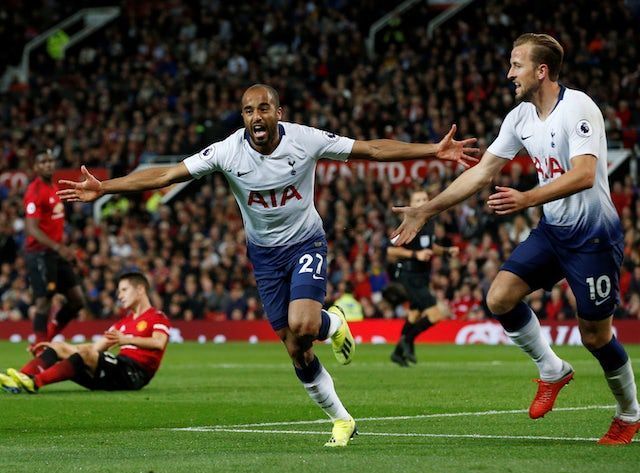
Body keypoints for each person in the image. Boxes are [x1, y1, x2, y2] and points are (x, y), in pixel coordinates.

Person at [56, 83, 478, 447]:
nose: (255, 116)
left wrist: (432, 149)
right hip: (264, 256)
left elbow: (370, 149)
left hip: (306, 242)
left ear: (278, 113)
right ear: (242, 117)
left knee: (305, 324)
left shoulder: (305, 139)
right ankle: (342, 418)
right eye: (247, 110)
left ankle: (329, 324)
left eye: (263, 108)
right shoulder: (226, 151)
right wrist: (106, 188)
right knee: (296, 349)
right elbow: (166, 175)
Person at [391, 34, 639, 445]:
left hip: (593, 237)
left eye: (516, 64)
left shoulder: (578, 108)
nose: (509, 73)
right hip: (554, 231)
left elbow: (583, 175)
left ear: (541, 71)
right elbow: (482, 172)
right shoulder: (520, 117)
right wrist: (427, 209)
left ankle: (629, 415)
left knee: (595, 336)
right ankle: (552, 369)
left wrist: (526, 198)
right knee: (500, 297)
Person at [0, 271, 170, 394]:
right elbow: (96, 348)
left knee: (85, 353)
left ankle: (35, 382)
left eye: (124, 290)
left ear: (140, 290)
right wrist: (64, 348)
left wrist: (126, 339)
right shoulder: (123, 323)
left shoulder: (156, 317)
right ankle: (19, 378)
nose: (119, 295)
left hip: (134, 373)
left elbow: (159, 342)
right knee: (59, 346)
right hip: (114, 370)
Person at [386, 190, 458, 367]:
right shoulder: (406, 222)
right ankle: (407, 341)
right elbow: (390, 250)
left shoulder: (429, 222)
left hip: (422, 275)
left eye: (425, 199)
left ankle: (397, 353)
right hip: (408, 275)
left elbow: (429, 246)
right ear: (410, 204)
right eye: (417, 199)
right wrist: (415, 254)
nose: (423, 201)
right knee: (436, 314)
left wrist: (447, 251)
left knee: (414, 314)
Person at [23, 149, 86, 346]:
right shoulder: (34, 191)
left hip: (56, 252)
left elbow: (52, 226)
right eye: (43, 162)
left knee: (77, 301)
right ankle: (40, 347)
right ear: (36, 167)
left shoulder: (53, 188)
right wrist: (59, 248)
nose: (48, 165)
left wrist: (63, 249)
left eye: (51, 161)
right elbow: (32, 229)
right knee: (44, 301)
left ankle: (46, 337)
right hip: (39, 254)